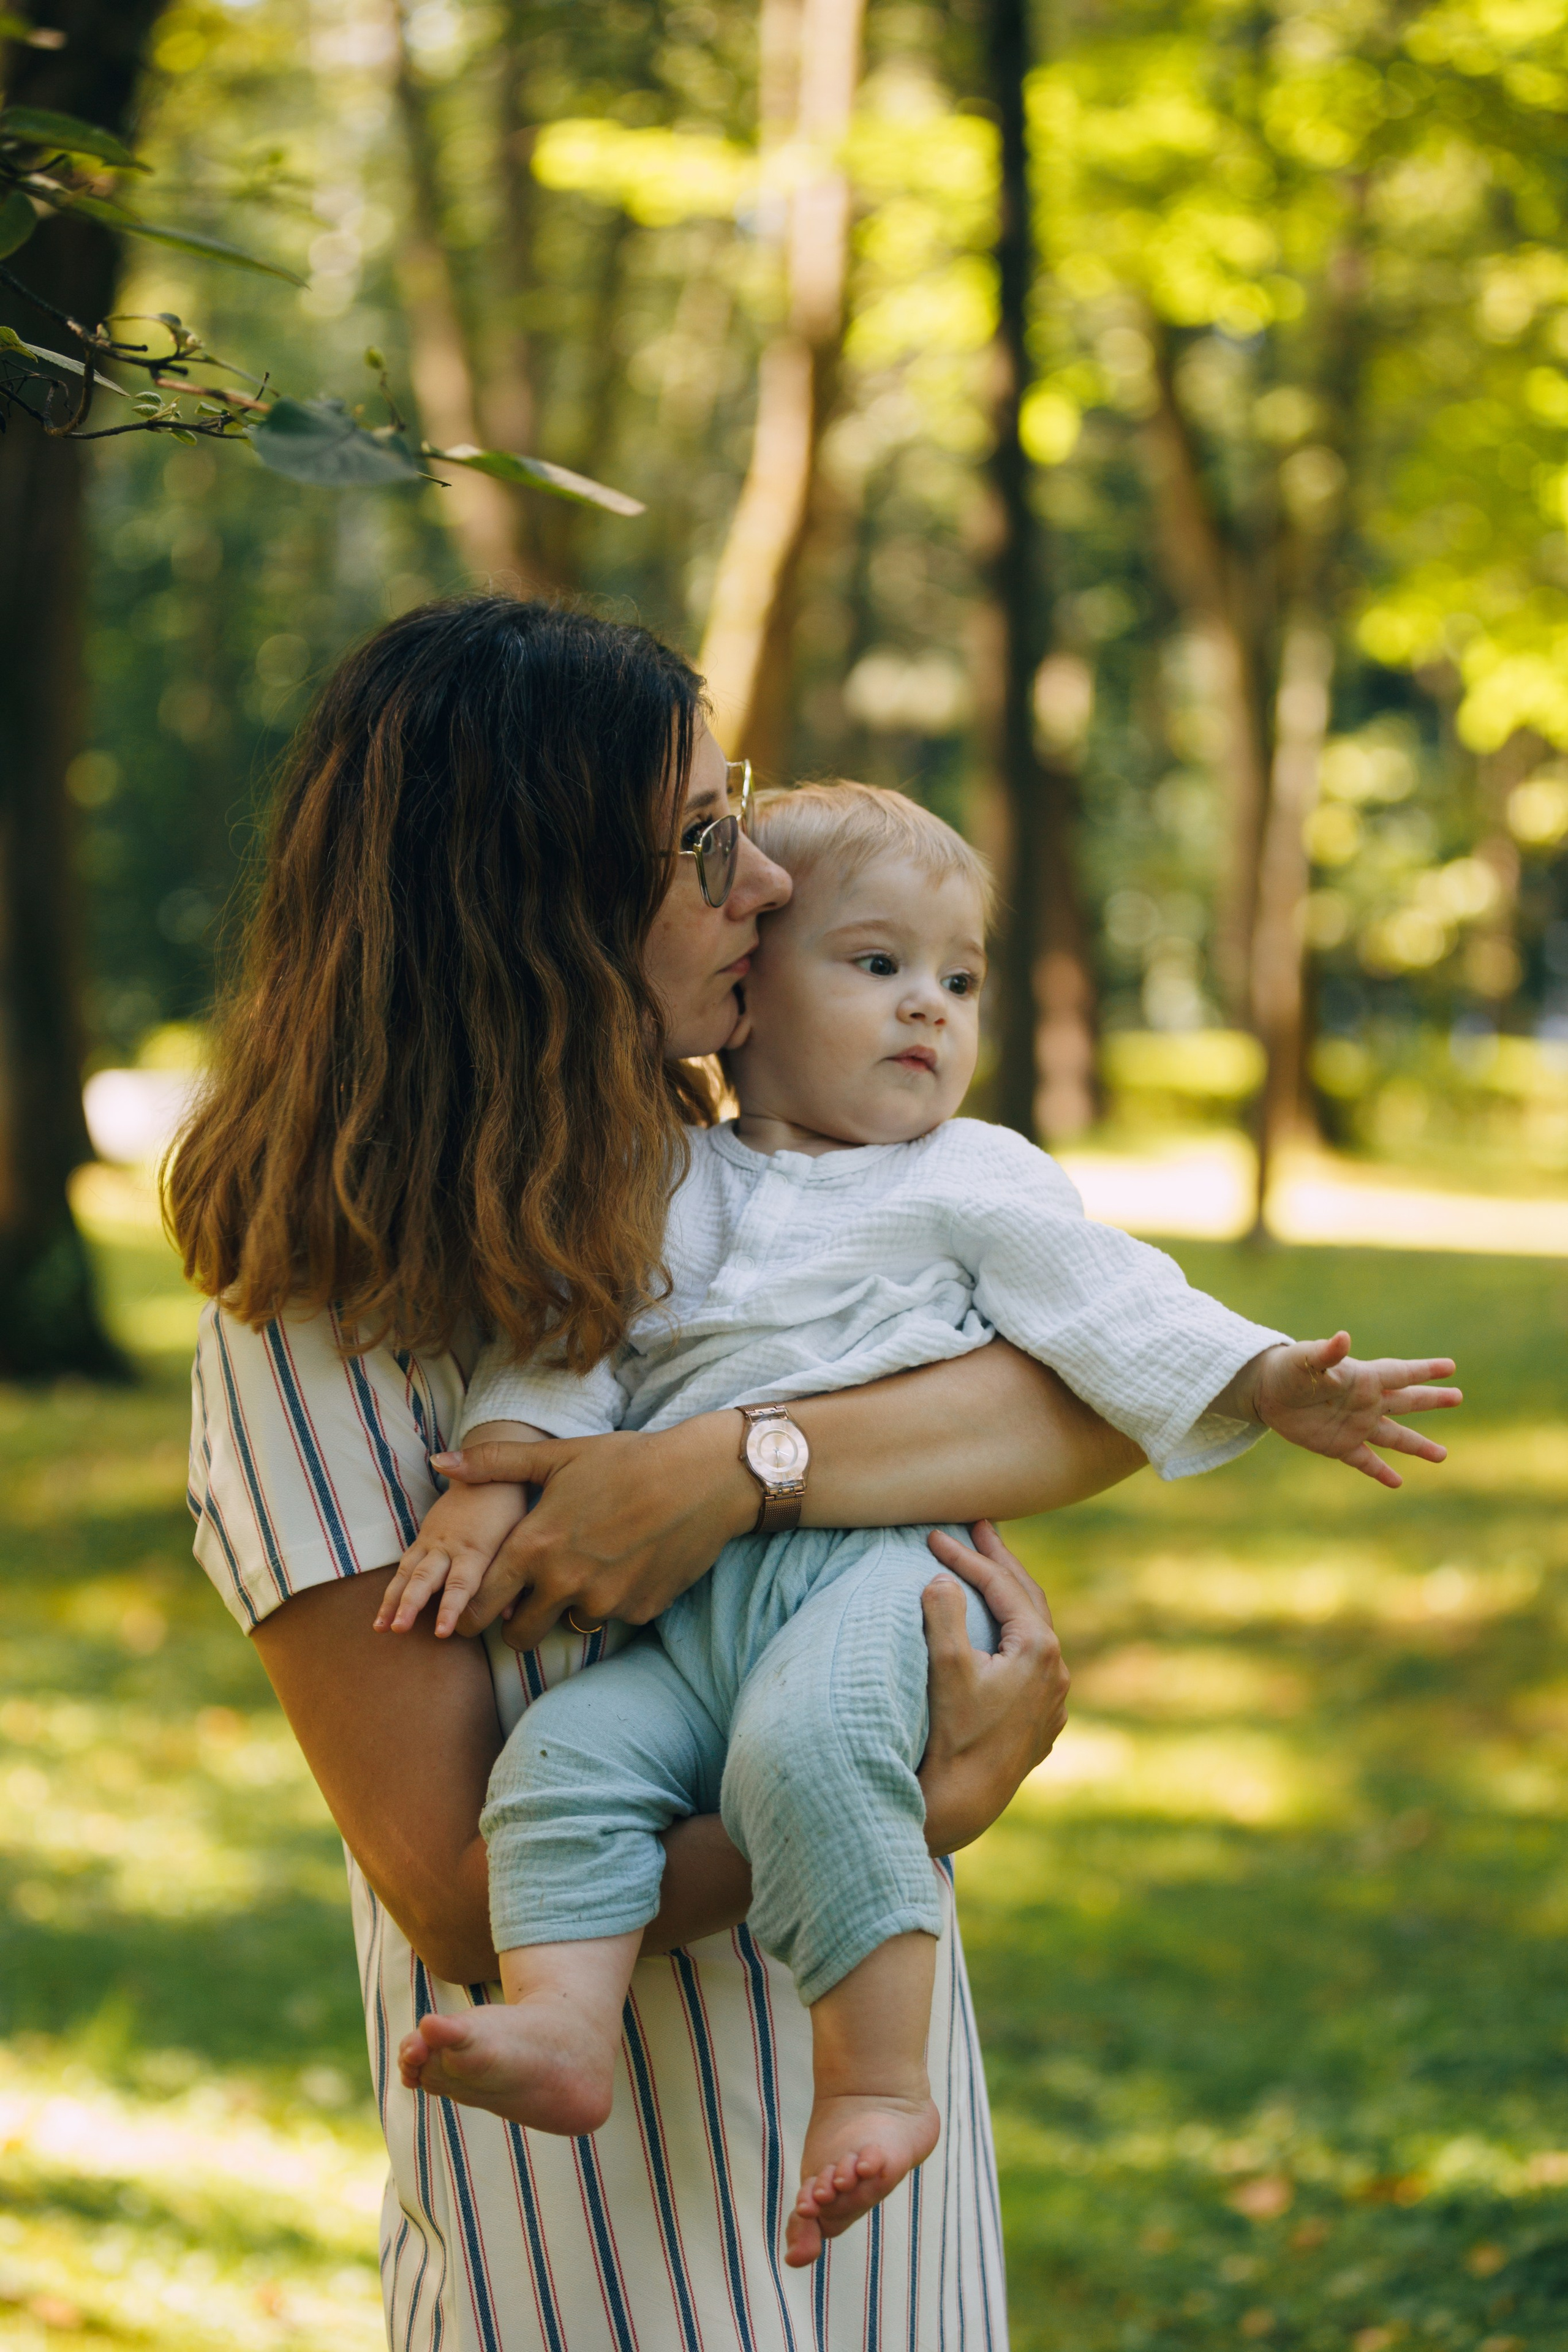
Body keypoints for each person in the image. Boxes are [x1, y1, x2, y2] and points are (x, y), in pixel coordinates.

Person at [173, 598, 1148, 2352]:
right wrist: (906, 1816)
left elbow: (1087, 1400)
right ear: (531, 902)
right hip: (593, 2244)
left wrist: (739, 1465)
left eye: (743, 813)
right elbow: (463, 1889)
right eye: (704, 842)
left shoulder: (747, 1190)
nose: (763, 882)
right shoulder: (310, 1325)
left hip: (882, 2186)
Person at [385, 780, 1462, 2267]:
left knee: (807, 1751)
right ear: (744, 993)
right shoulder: (656, 1178)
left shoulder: (972, 1174)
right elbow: (570, 1346)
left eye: (957, 979)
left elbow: (1109, 1307)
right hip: (677, 1619)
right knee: (562, 1764)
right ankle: (563, 2025)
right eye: (876, 965)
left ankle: (873, 2085)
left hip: (865, 1580)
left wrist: (1267, 1379)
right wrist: (497, 1480)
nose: (928, 1011)